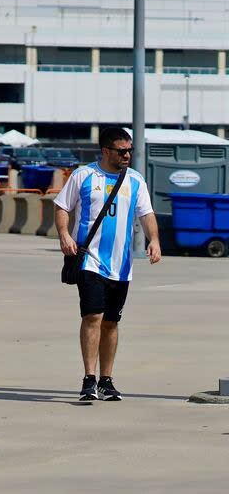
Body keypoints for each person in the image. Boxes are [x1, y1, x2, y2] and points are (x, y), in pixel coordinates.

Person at [54, 126, 161, 402]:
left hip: (121, 265)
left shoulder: (135, 180)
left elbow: (146, 213)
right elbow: (62, 206)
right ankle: (89, 378)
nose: (127, 155)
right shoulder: (84, 175)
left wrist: (154, 240)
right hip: (90, 260)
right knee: (93, 316)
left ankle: (106, 380)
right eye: (121, 150)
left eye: (129, 150)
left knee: (111, 322)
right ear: (105, 150)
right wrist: (65, 235)